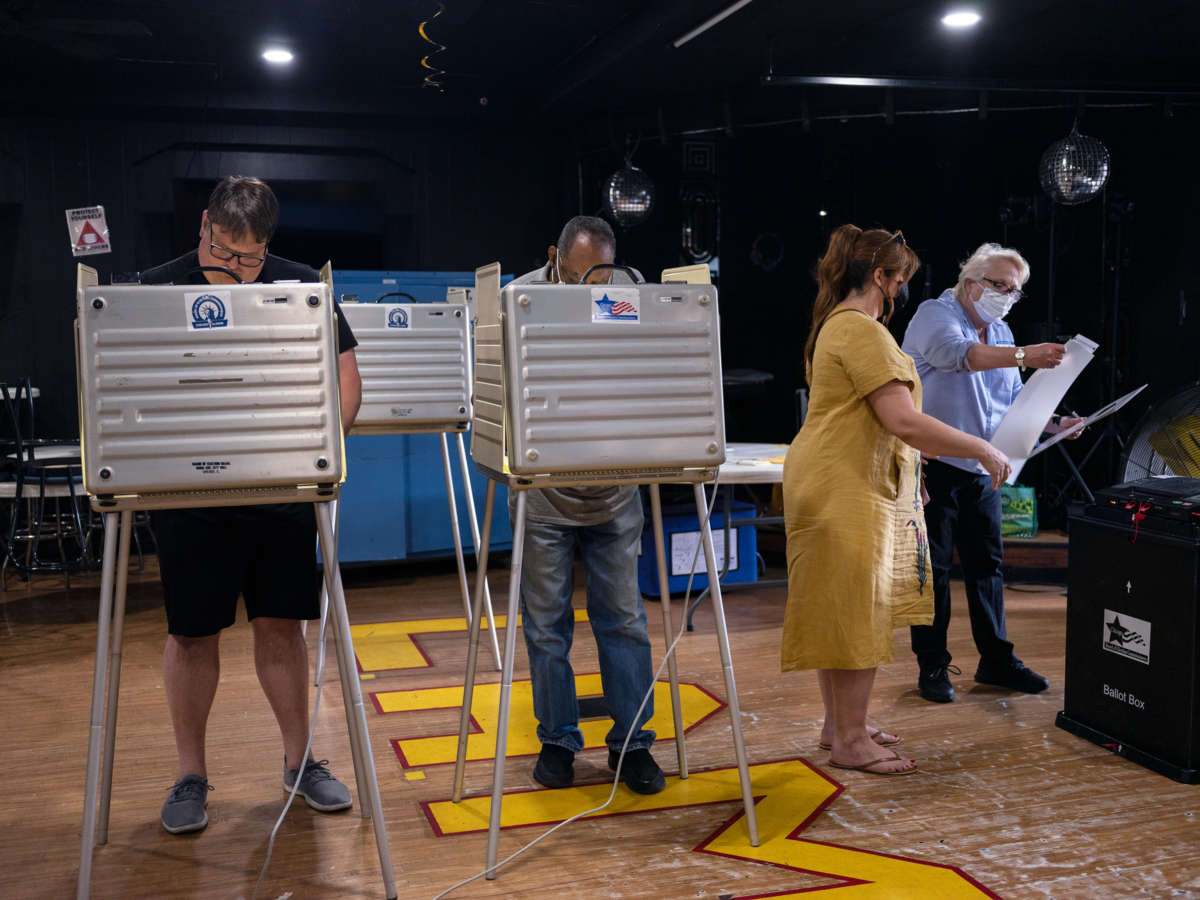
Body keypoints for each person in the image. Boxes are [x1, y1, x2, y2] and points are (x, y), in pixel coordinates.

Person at [139, 176, 363, 833]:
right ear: (204, 227)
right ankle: (190, 776)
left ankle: (301, 763)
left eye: (251, 256)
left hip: (279, 491)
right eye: (226, 253)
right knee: (191, 634)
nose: (237, 269)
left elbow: (347, 377)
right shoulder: (155, 289)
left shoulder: (300, 286)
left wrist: (323, 453)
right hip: (190, 496)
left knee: (281, 625)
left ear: (269, 244)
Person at [781, 225, 1012, 776]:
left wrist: (910, 469)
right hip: (844, 485)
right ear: (882, 277)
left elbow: (875, 424)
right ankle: (852, 740)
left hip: (842, 477)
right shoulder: (860, 330)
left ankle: (839, 726)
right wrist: (980, 446)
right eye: (900, 279)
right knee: (856, 611)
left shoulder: (836, 325)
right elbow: (902, 419)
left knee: (839, 607)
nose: (901, 290)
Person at [508, 215, 664, 794]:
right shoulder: (520, 298)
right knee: (547, 627)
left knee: (624, 621)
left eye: (597, 278)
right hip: (545, 497)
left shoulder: (629, 294)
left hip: (614, 492)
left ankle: (633, 745)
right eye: (576, 278)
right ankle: (557, 742)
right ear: (554, 257)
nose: (588, 291)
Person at [901, 242, 1083, 703]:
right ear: (970, 283)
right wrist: (1026, 354)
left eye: (1014, 290)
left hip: (985, 466)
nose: (1006, 295)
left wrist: (1056, 423)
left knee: (987, 567)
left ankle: (997, 661)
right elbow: (957, 355)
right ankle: (933, 665)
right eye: (1000, 285)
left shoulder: (1001, 331)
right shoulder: (933, 314)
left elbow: (1011, 401)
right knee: (934, 571)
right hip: (933, 464)